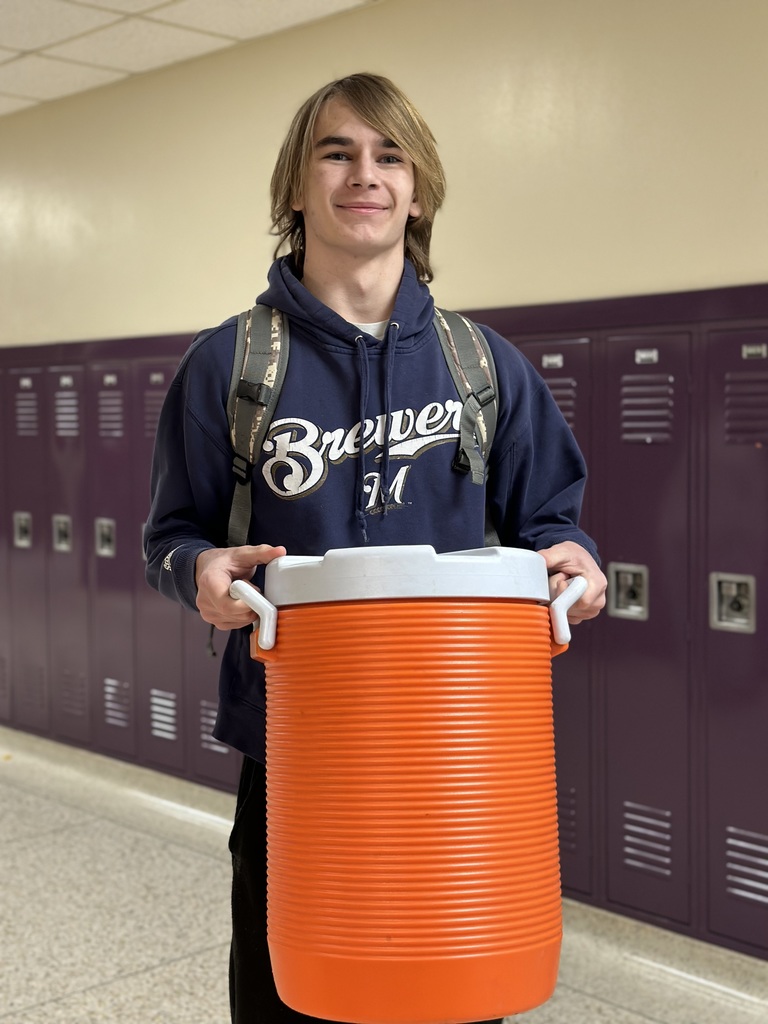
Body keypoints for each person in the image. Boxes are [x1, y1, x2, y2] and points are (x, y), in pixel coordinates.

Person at [144, 72, 607, 1024]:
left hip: (455, 762)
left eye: (390, 156)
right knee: (293, 1005)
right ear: (296, 188)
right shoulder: (230, 367)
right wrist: (199, 573)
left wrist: (577, 564)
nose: (366, 175)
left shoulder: (485, 368)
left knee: (453, 1005)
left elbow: (551, 525)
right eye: (337, 152)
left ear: (419, 189)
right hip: (295, 766)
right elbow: (171, 536)